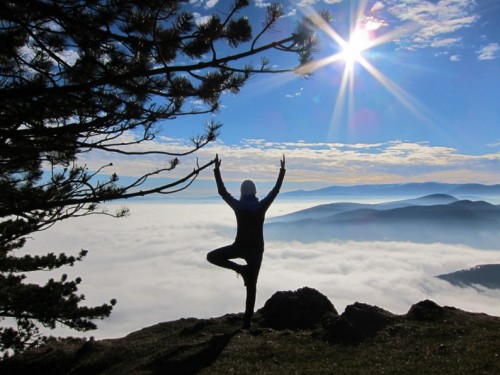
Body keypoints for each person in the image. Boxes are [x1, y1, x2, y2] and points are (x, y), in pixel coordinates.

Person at [207, 154, 286, 328]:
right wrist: (282, 171)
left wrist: (217, 170)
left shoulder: (238, 206)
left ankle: (241, 270)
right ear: (255, 191)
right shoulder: (261, 206)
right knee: (252, 286)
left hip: (239, 246)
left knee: (212, 256)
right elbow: (275, 190)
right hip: (257, 250)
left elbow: (222, 192)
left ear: (242, 192)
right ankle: (247, 323)